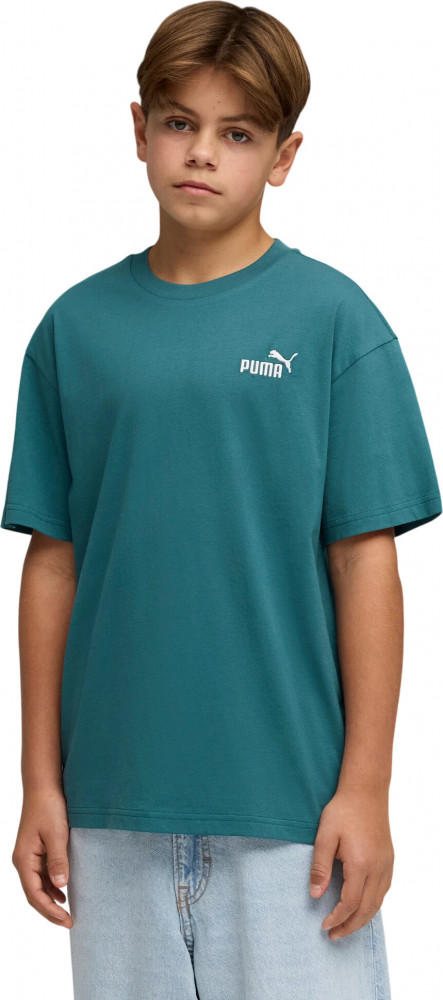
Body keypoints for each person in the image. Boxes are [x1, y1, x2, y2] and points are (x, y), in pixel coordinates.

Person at [2, 3, 441, 998]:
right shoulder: (74, 331)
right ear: (139, 130)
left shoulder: (334, 322)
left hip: (292, 815)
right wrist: (39, 782)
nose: (201, 152)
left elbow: (363, 562)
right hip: (112, 811)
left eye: (237, 133)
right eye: (178, 122)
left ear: (282, 156)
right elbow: (53, 562)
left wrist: (366, 788)